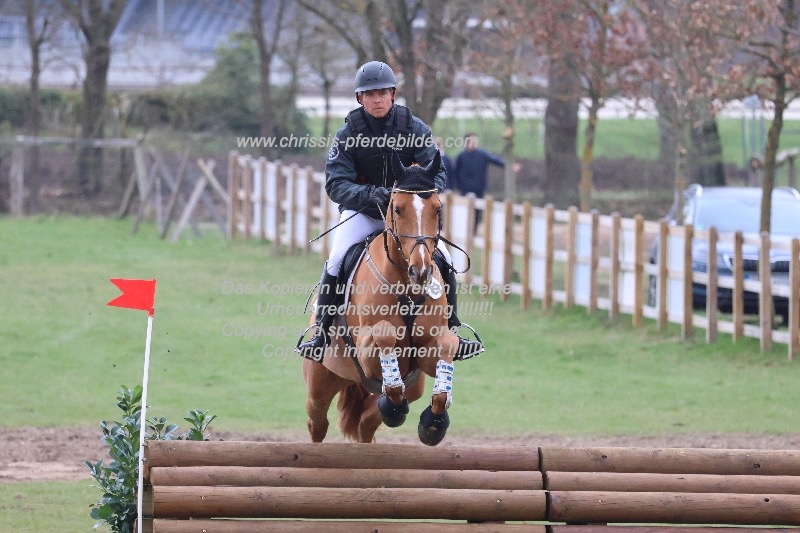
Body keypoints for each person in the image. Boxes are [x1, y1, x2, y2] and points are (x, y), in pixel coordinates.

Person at [296, 61, 483, 361]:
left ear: (393, 94)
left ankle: (453, 328)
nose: (377, 99)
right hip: (366, 214)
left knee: (445, 259)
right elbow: (336, 184)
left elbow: (438, 174)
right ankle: (322, 331)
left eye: (383, 93)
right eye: (370, 94)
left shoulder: (414, 128)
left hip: (408, 219)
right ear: (360, 99)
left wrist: (409, 193)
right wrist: (372, 195)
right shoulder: (348, 134)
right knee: (336, 258)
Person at [452, 132, 519, 230]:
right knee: (465, 211)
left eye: (475, 140)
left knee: (477, 212)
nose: (473, 143)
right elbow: (455, 173)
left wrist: (509, 166)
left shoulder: (482, 154)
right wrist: (457, 186)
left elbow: (495, 160)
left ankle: (474, 231)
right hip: (464, 189)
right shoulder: (460, 156)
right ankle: (465, 230)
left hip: (479, 188)